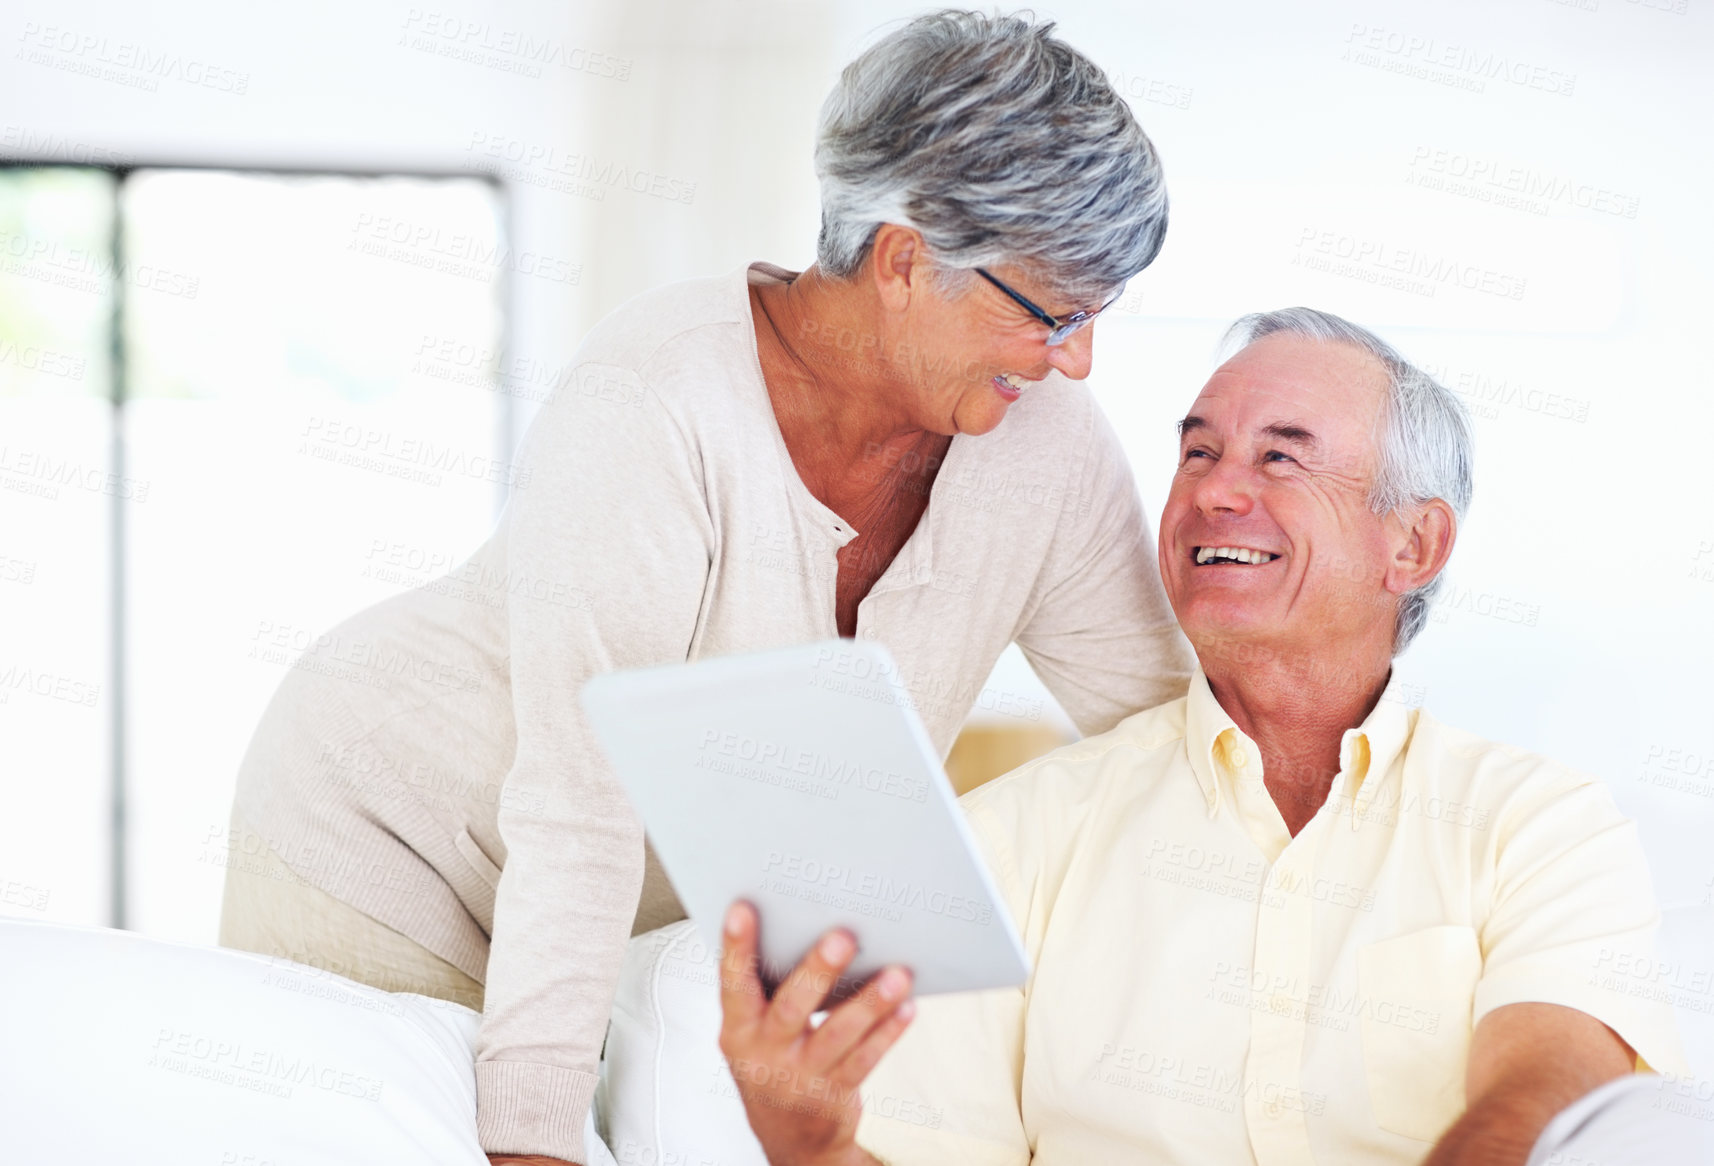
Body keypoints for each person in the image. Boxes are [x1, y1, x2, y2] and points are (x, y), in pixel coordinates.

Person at [218, 11, 1191, 1164]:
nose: (1077, 358)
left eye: (1097, 314)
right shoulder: (655, 401)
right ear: (903, 257)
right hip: (392, 824)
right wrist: (535, 1139)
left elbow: (1164, 737)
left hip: (628, 908)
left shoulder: (1046, 449)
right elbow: (576, 802)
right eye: (1054, 312)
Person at [718, 308, 1692, 1165]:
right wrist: (809, 1146)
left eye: (1279, 454)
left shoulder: (1540, 824)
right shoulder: (1011, 836)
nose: (1216, 492)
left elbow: (1544, 1098)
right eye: (1196, 452)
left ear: (1413, 545)